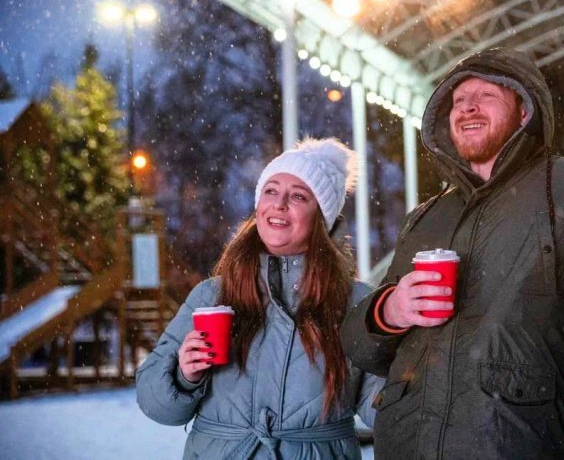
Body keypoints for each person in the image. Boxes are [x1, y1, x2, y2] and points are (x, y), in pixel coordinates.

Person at [341, 47, 564, 459]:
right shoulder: (427, 216)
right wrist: (389, 311)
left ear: (525, 111)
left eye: (487, 95)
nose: (468, 107)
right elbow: (361, 349)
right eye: (458, 100)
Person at [136, 137, 384, 459]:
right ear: (258, 207)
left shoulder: (357, 302)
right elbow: (154, 403)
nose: (279, 204)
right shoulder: (212, 295)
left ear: (321, 218)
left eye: (298, 196)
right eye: (270, 190)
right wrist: (185, 376)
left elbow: (384, 408)